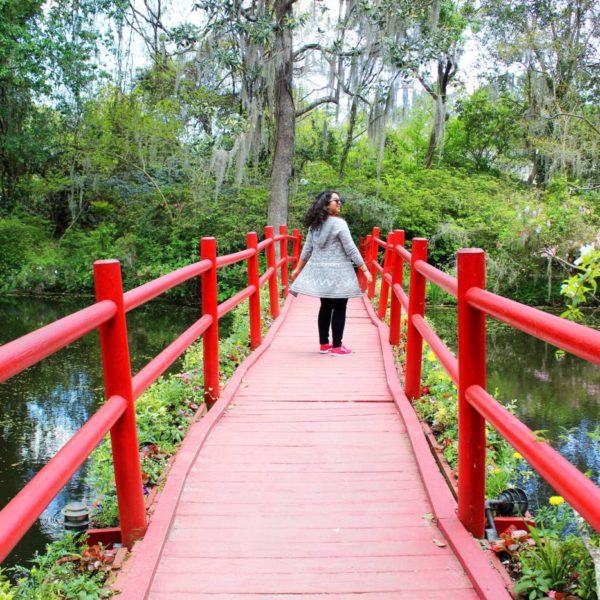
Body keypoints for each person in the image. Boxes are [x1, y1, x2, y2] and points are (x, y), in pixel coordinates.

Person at [290, 190, 373, 356]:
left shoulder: (316, 225)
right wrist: (365, 269)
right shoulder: (339, 224)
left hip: (321, 273)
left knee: (326, 306)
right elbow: (350, 248)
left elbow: (307, 248)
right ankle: (337, 346)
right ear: (326, 204)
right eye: (336, 201)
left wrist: (298, 268)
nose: (339, 203)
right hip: (339, 273)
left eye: (339, 200)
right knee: (340, 307)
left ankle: (324, 344)